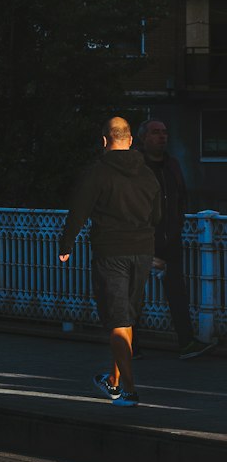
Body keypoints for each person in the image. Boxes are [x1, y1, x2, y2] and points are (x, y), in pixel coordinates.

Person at [59, 115, 162, 407]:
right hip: (143, 250)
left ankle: (128, 390)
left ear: (105, 141)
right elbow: (157, 216)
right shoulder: (147, 174)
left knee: (117, 318)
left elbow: (79, 210)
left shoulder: (98, 172)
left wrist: (66, 245)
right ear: (130, 141)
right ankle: (113, 380)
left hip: (111, 251)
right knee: (126, 318)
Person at [137, 120, 216, 360]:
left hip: (169, 240)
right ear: (143, 138)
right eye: (155, 133)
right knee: (134, 294)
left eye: (164, 133)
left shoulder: (172, 165)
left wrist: (177, 224)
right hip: (141, 241)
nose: (162, 137)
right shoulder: (135, 166)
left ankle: (187, 343)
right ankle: (129, 345)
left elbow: (181, 196)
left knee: (177, 293)